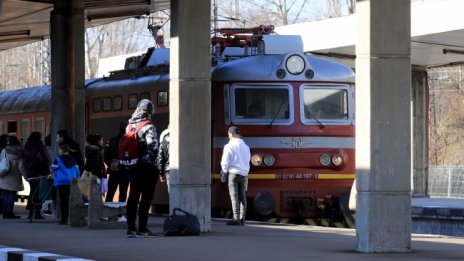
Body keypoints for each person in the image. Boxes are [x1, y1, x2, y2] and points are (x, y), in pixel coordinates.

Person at [125, 99, 159, 238]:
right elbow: (153, 147)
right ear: (150, 111)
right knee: (146, 198)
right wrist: (154, 165)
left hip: (133, 166)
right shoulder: (149, 126)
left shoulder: (130, 126)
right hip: (147, 168)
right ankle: (143, 228)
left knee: (133, 197)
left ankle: (131, 228)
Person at [220, 126, 251, 226]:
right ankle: (242, 219)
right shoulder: (246, 147)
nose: (228, 136)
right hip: (244, 174)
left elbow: (225, 161)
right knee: (242, 196)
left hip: (233, 173)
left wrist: (224, 172)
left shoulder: (229, 146)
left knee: (234, 196)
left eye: (229, 134)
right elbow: (248, 160)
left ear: (231, 134)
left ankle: (236, 218)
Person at [23, 131, 51, 220]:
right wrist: (47, 172)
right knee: (38, 193)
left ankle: (31, 212)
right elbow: (46, 159)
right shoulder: (40, 146)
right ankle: (37, 212)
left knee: (32, 191)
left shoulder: (26, 147)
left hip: (30, 172)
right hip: (39, 173)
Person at [51, 143, 80, 224]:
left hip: (61, 182)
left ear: (61, 150)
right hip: (72, 181)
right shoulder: (74, 159)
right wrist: (77, 179)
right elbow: (78, 171)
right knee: (71, 200)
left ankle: (64, 219)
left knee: (63, 201)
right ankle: (72, 218)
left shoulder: (58, 159)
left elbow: (52, 168)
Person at [104, 121, 130, 204]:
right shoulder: (130, 141)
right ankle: (120, 215)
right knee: (123, 194)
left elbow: (105, 156)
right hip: (125, 171)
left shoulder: (111, 141)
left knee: (110, 193)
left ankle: (107, 214)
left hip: (113, 171)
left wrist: (111, 164)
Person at [0, 135, 24, 218]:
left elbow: (1, 161)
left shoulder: (4, 150)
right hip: (15, 176)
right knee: (12, 195)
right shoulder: (19, 151)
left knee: (6, 194)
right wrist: (26, 176)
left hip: (4, 175)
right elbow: (21, 166)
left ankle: (5, 212)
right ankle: (9, 212)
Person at [156, 127, 170, 192]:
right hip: (182, 169)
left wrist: (161, 174)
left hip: (169, 170)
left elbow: (160, 159)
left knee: (171, 191)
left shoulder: (163, 142)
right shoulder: (181, 139)